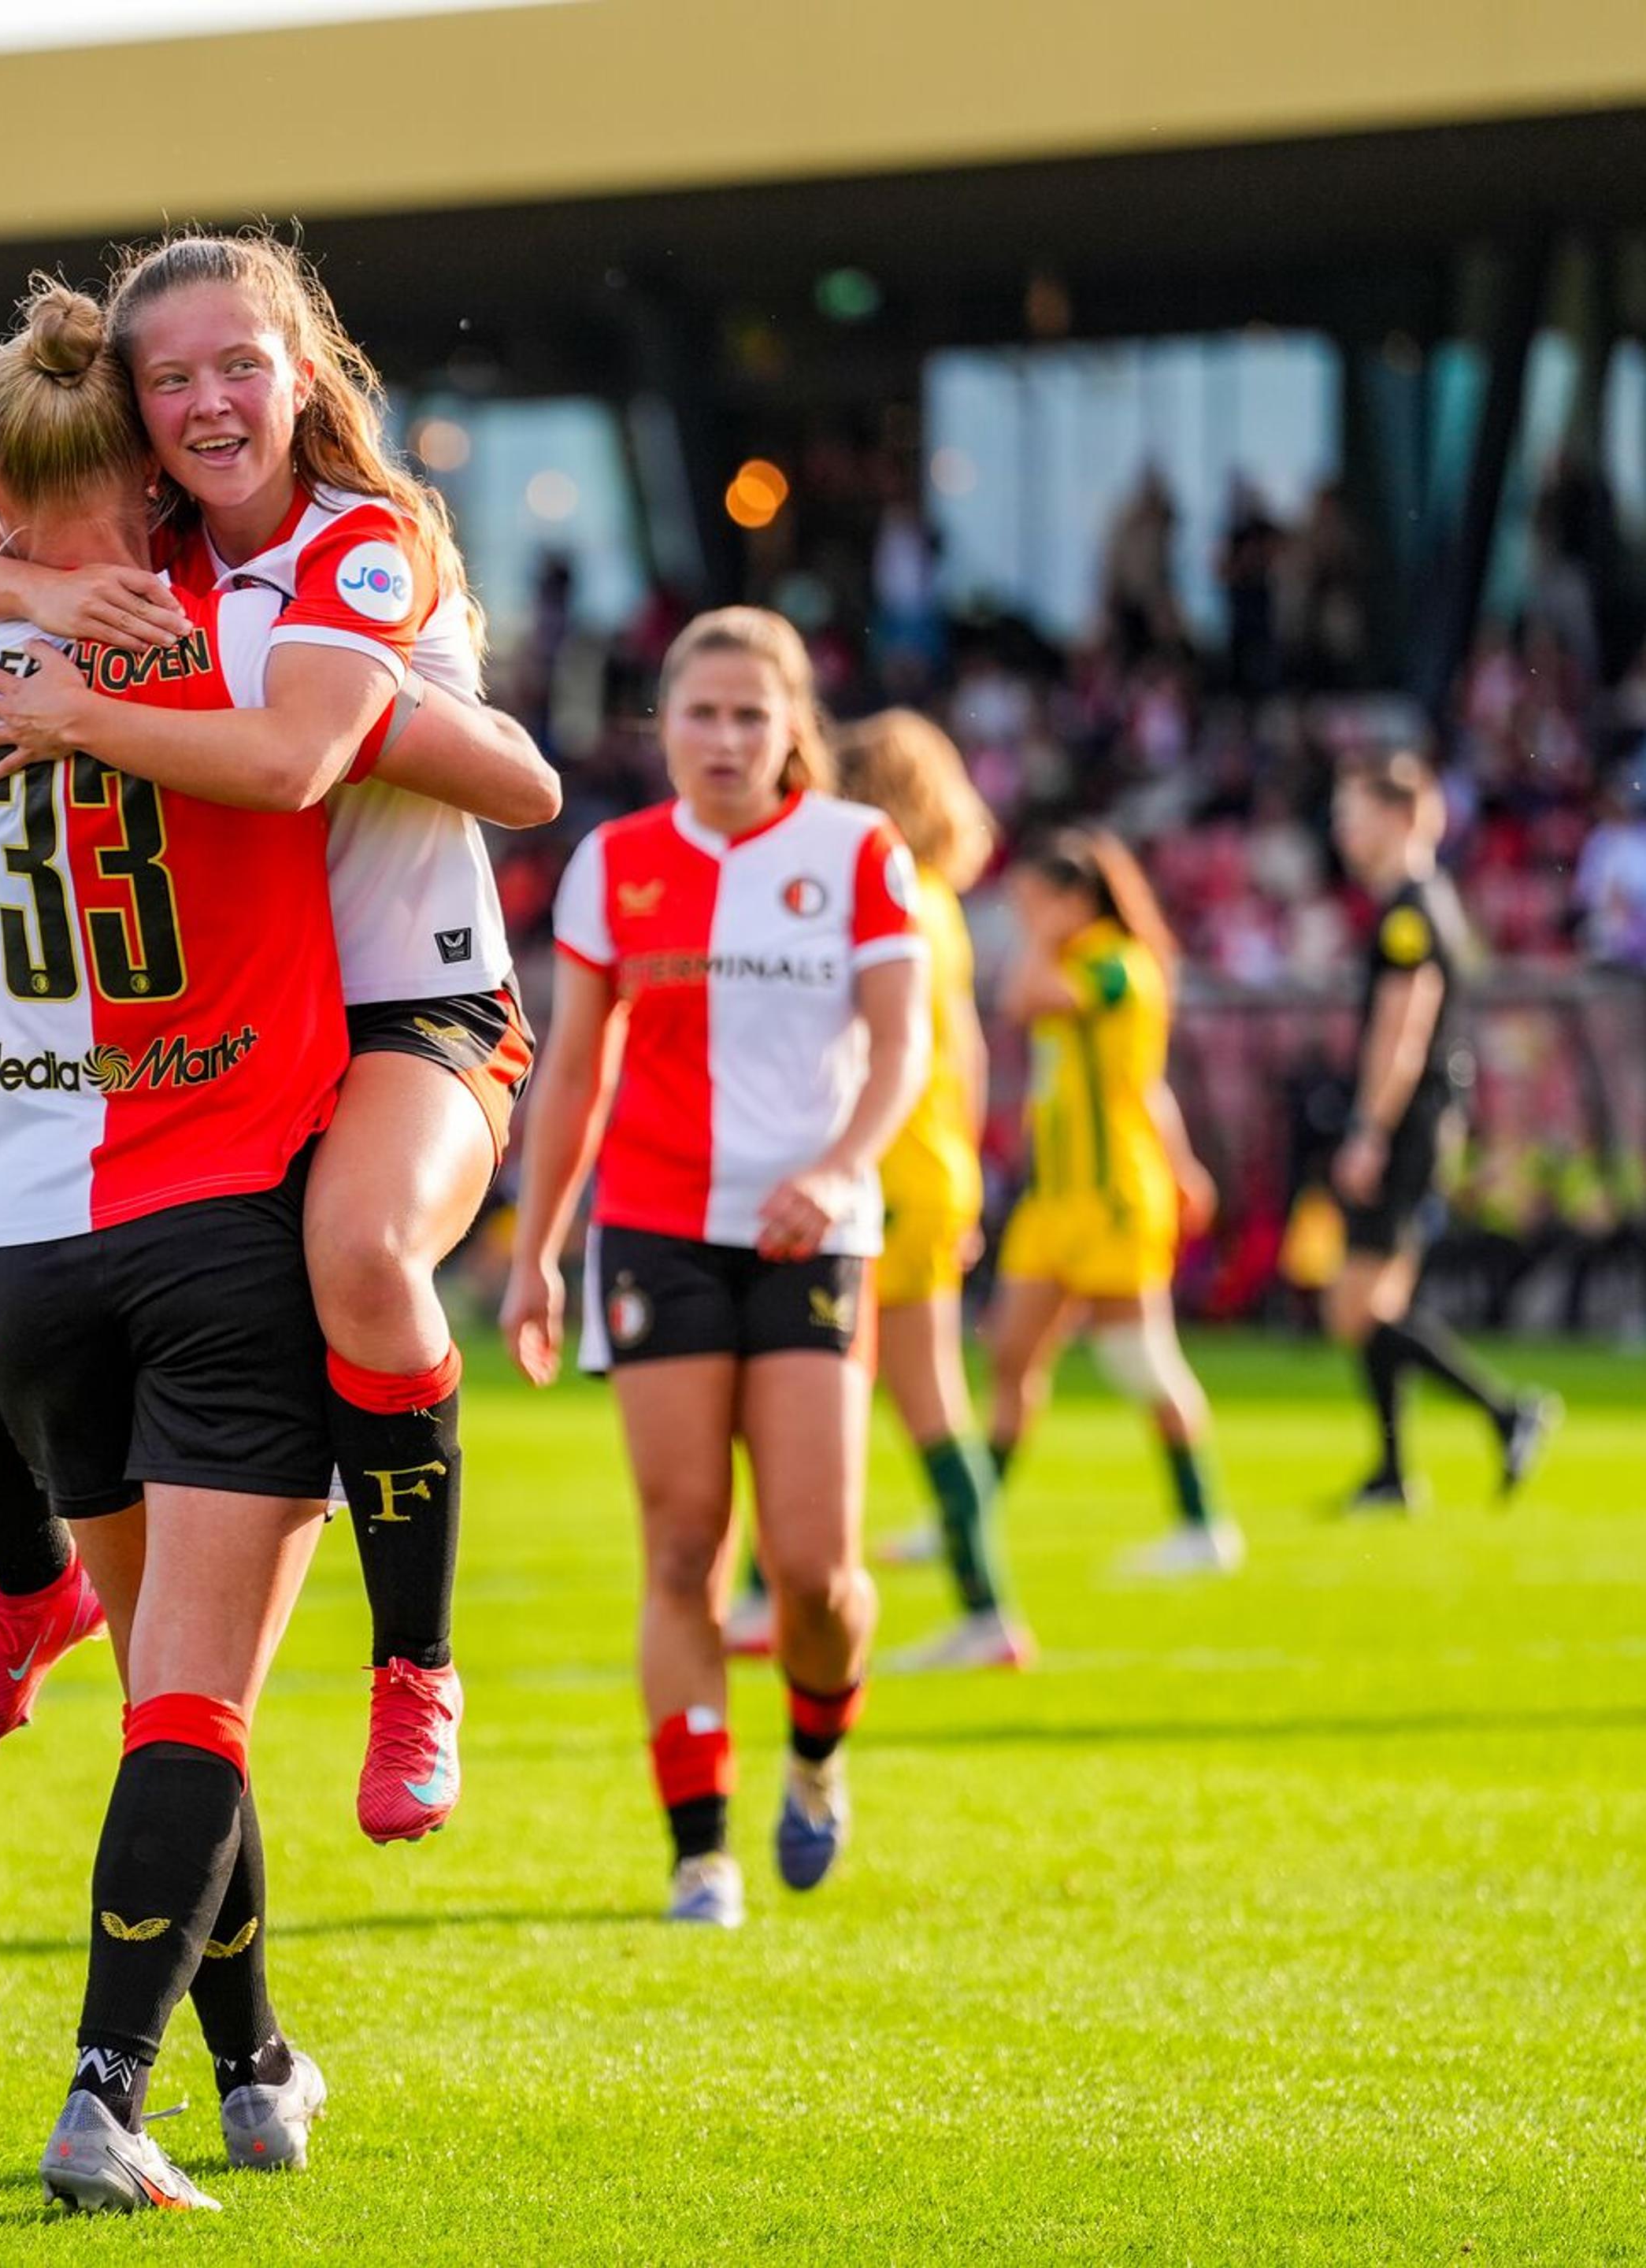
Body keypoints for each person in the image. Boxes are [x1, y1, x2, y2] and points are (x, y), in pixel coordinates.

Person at [0, 106, 545, 2211]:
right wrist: (74, 618)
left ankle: (414, 1667)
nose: (209, 403)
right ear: (124, 436)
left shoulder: (331, 554)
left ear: (300, 371)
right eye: (168, 383)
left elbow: (407, 758)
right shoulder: (171, 590)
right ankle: (35, 1625)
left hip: (382, 1017)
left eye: (240, 365)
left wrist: (56, 672)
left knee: (360, 1263)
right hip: (168, 1091)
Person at [501, 606, 928, 1929]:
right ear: (662, 727)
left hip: (809, 1235)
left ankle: (813, 1755)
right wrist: (531, 1253)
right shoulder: (612, 864)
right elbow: (570, 1070)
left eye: (752, 714)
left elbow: (900, 1046)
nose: (725, 738)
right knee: (680, 1544)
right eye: (701, 713)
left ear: (793, 726)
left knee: (813, 1571)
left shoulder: (858, 852)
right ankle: (698, 1852)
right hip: (652, 1227)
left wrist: (837, 1168)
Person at [985, 829, 1240, 1575]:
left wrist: (1040, 936)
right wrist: (1186, 1162)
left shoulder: (1115, 968)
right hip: (1055, 1200)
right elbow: (1149, 1086)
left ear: (1075, 901)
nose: (1025, 918)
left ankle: (1202, 1524)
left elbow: (1022, 999)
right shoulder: (1081, 962)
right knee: (1008, 1355)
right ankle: (971, 1514)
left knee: (1139, 1361)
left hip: (1111, 1198)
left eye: (1035, 903)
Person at [844, 711, 1029, 1669]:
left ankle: (984, 1609)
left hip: (889, 1172)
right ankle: (766, 1588)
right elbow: (965, 1053)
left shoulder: (886, 901)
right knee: (863, 1382)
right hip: (927, 1168)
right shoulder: (938, 901)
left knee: (896, 1393)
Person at [1325, 754, 1557, 1512]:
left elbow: (1403, 1029)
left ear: (1398, 817)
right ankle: (1393, 1472)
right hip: (1419, 1119)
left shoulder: (1408, 913)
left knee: (1356, 1308)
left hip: (1406, 1120)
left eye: (1353, 812)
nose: (1342, 829)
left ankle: (1504, 1411)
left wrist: (1368, 1128)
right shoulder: (1420, 903)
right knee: (1374, 1299)